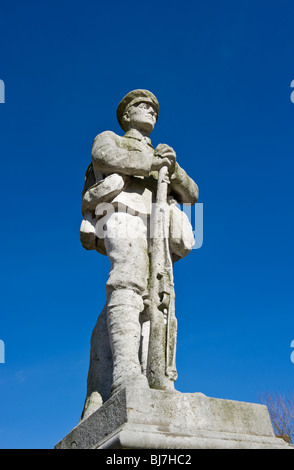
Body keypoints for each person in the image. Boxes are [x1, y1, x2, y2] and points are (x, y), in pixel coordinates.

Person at [80, 90, 198, 419]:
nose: (149, 111)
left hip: (157, 226)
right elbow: (103, 157)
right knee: (127, 280)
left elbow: (192, 193)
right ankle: (126, 374)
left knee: (157, 298)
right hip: (121, 212)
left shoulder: (161, 154)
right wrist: (151, 164)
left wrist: (171, 170)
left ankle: (154, 373)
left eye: (153, 108)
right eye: (141, 106)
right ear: (126, 116)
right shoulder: (111, 138)